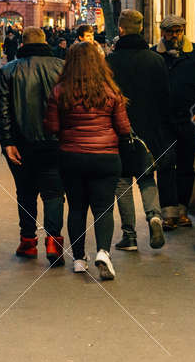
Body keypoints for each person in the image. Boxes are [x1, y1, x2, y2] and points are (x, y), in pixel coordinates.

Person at [44, 42, 131, 281]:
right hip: (105, 156)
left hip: (71, 156)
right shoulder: (110, 90)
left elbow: (51, 127)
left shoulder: (60, 90)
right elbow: (124, 128)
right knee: (103, 208)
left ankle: (80, 259)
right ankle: (103, 252)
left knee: (77, 208)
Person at [0, 26, 66, 263]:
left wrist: (7, 141)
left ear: (22, 44)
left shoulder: (9, 70)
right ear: (46, 42)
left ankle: (28, 242)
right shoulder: (61, 66)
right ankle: (54, 244)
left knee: (25, 192)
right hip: (55, 142)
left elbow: (3, 111)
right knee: (54, 193)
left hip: (21, 143)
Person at [106, 9, 168, 252]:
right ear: (141, 29)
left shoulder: (110, 61)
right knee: (146, 177)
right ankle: (154, 216)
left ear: (121, 29)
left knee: (122, 182)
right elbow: (165, 97)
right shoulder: (156, 60)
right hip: (149, 129)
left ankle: (129, 235)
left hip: (119, 131)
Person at [156, 14, 195, 229]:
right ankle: (167, 212)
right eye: (170, 31)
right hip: (162, 121)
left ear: (183, 31)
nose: (174, 35)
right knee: (165, 165)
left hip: (188, 120)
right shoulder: (155, 55)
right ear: (162, 32)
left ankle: (182, 210)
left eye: (178, 31)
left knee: (185, 166)